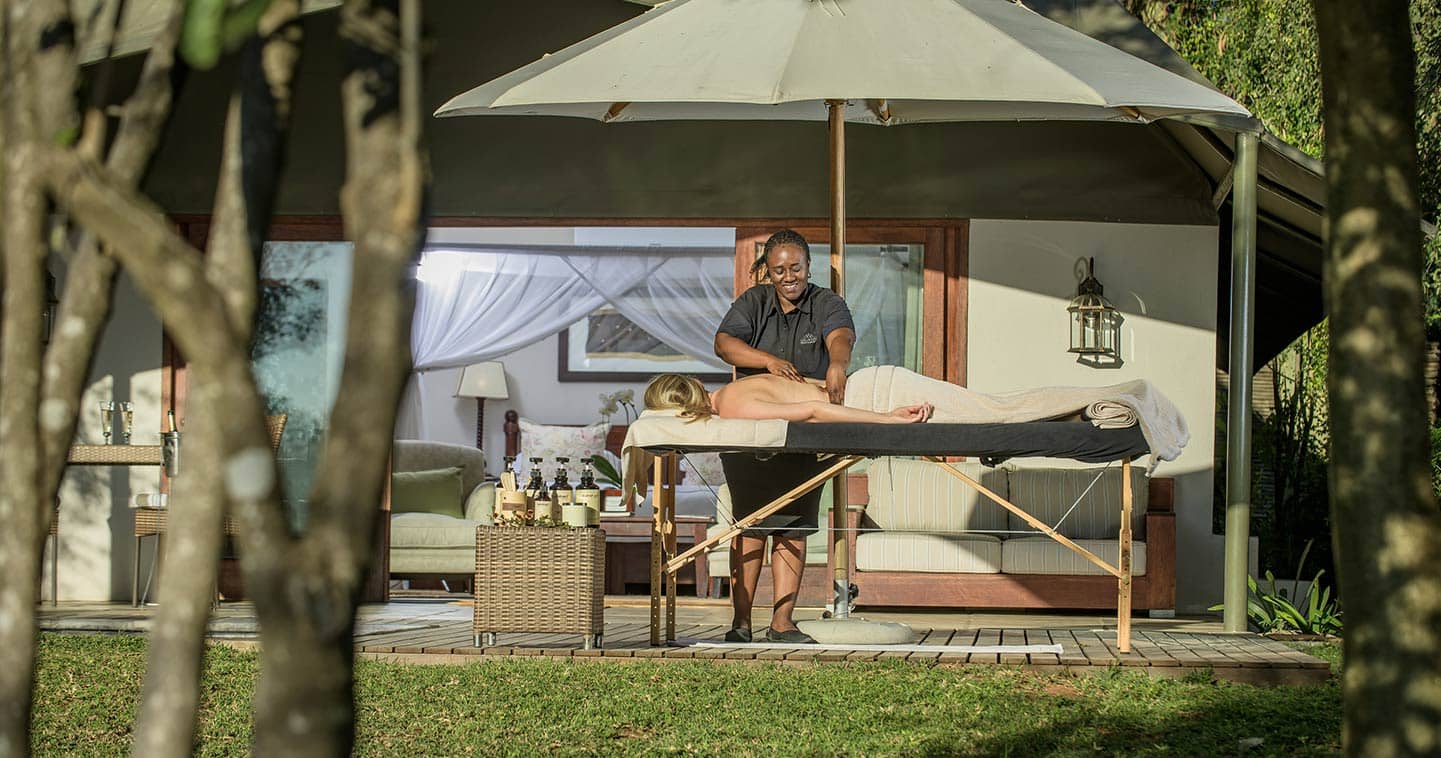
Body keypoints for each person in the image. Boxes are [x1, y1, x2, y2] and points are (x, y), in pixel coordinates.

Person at [711, 229, 857, 645]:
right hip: (750, 432)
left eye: (795, 268)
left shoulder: (826, 302)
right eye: (779, 270)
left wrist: (837, 365)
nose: (788, 276)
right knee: (752, 524)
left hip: (804, 433)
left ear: (808, 267)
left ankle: (782, 623)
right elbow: (725, 344)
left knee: (794, 526)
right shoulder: (753, 302)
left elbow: (840, 335)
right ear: (767, 271)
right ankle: (741, 622)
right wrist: (769, 362)